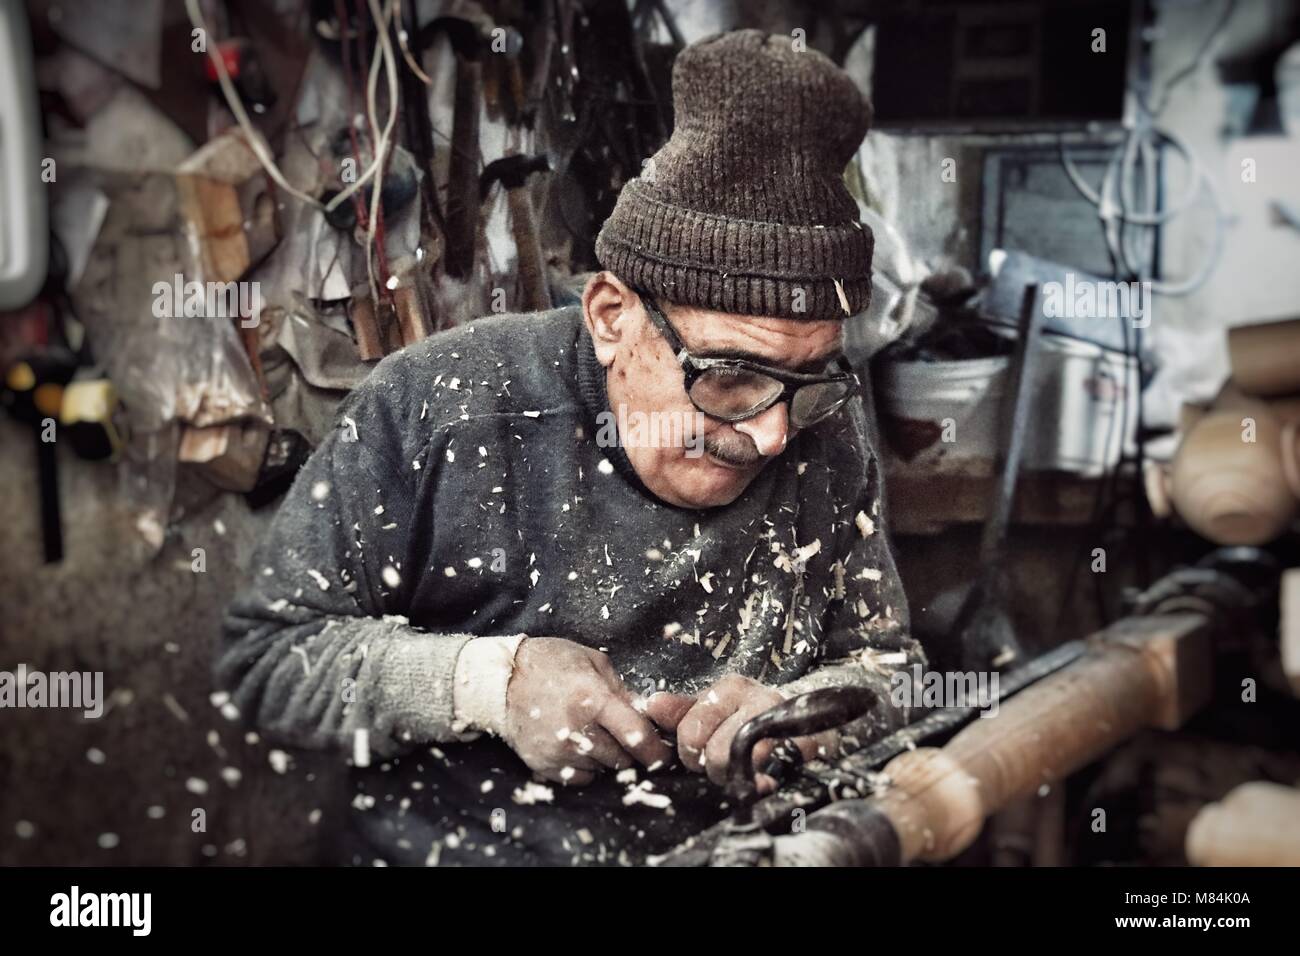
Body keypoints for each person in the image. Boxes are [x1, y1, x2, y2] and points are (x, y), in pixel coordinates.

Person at [218, 28, 924, 866]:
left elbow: (892, 668)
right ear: (612, 318)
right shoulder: (442, 404)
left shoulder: (821, 423)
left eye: (810, 378)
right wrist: (490, 685)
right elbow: (264, 661)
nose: (773, 434)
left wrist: (800, 717)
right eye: (732, 378)